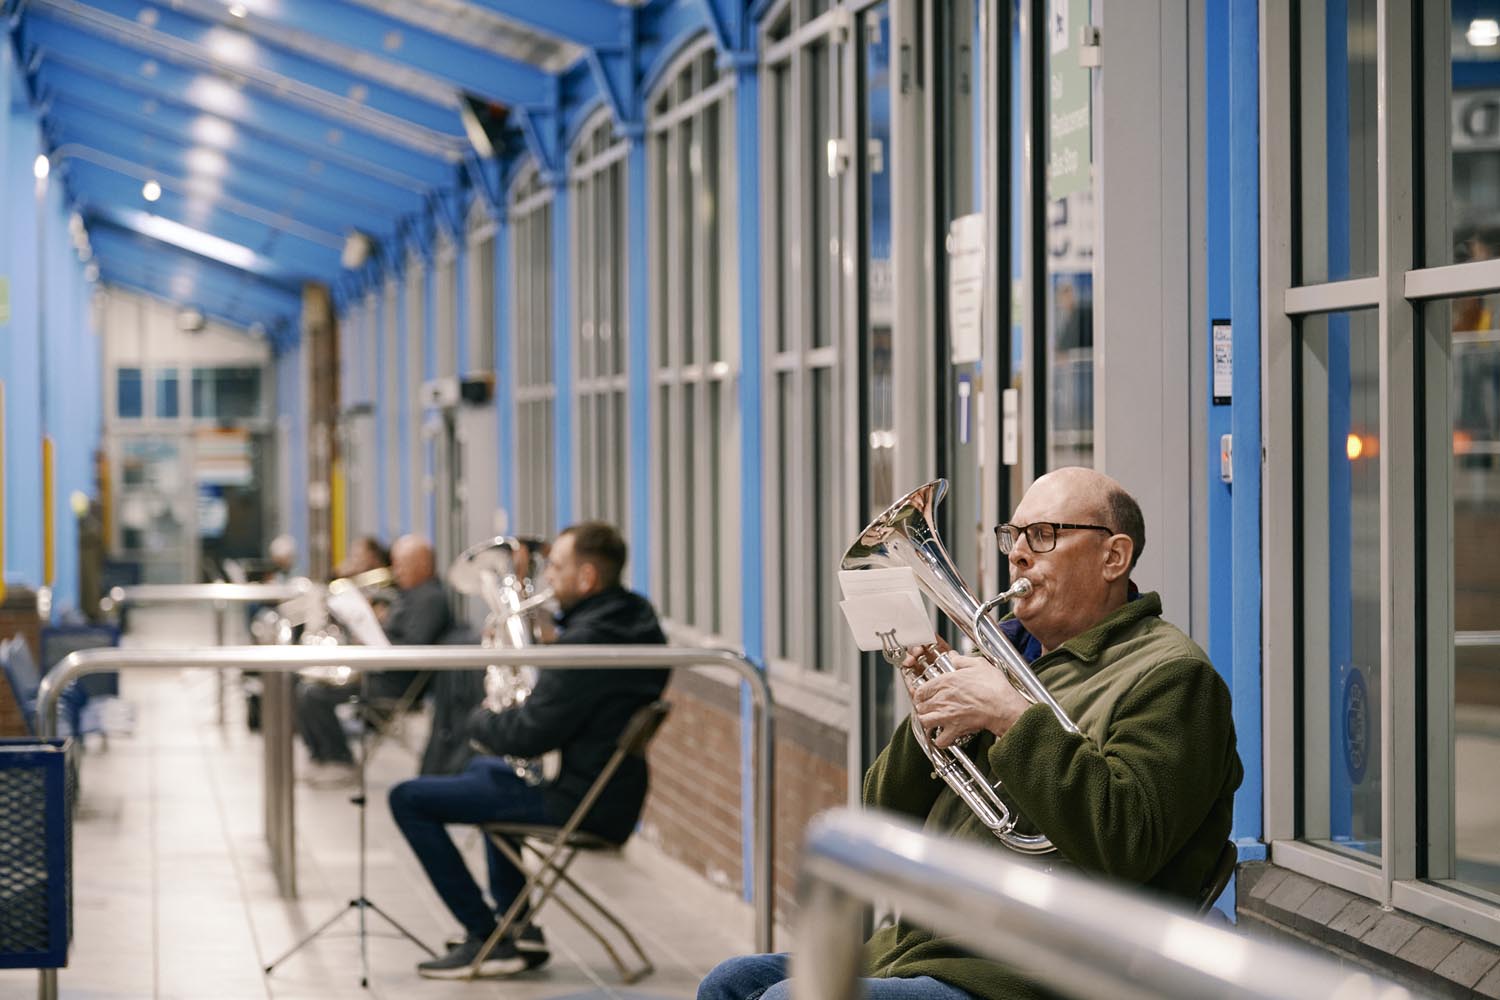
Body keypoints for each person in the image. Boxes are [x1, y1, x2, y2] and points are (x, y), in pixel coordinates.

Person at [699, 467, 1243, 1000]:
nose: (1018, 553)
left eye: (1043, 535)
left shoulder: (1173, 677)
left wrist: (1010, 717)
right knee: (728, 982)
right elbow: (883, 815)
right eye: (1014, 535)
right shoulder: (1000, 658)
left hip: (1036, 970)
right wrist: (930, 712)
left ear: (1113, 557)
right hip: (930, 946)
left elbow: (1128, 840)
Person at [388, 522, 669, 980]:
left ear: (587, 578)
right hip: (609, 791)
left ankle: (486, 935)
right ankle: (519, 929)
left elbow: (529, 735)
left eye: (556, 568)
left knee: (408, 798)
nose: (547, 578)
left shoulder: (586, 645)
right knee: (485, 773)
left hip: (577, 800)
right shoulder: (636, 621)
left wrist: (481, 718)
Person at [296, 534, 451, 786]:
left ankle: (338, 760)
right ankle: (322, 757)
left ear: (423, 564)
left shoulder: (430, 599)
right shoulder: (410, 594)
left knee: (314, 694)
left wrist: (375, 640)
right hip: (381, 669)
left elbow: (412, 649)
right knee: (306, 685)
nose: (396, 570)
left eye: (402, 564)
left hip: (395, 682)